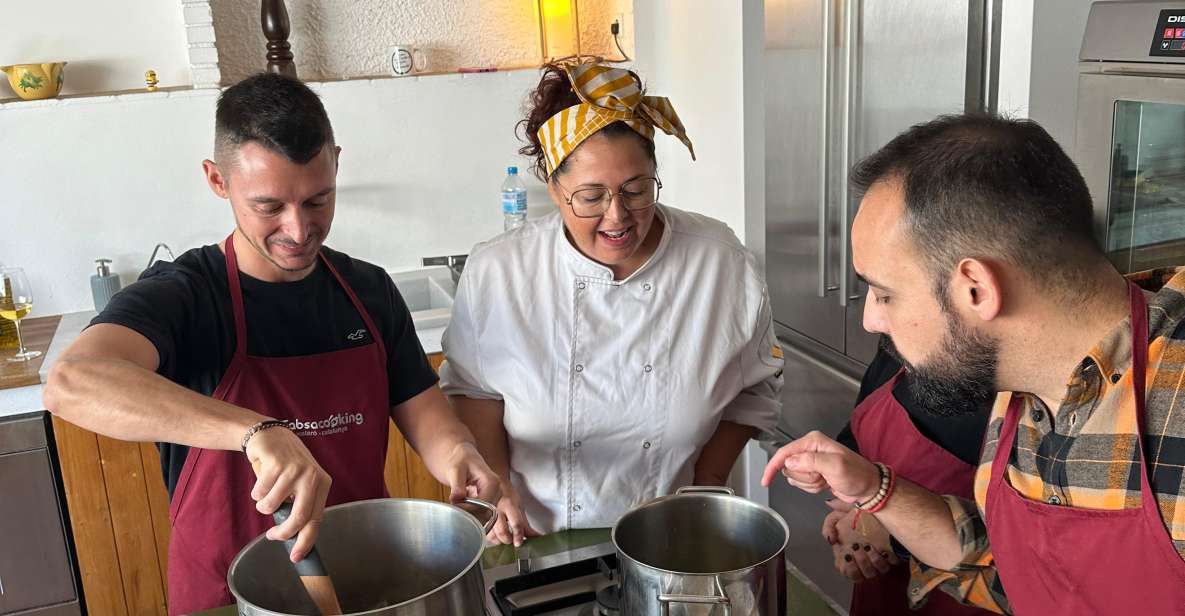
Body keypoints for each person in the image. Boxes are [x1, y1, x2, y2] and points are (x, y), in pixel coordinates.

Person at [42, 73, 501, 615]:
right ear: (217, 180)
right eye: (269, 207)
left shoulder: (369, 292)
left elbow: (425, 412)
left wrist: (459, 456)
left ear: (336, 162)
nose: (299, 228)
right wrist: (254, 431)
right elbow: (71, 382)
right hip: (227, 599)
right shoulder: (185, 295)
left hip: (363, 586)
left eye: (317, 200)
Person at [764, 114, 1185, 615]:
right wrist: (874, 489)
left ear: (976, 290)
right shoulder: (1017, 382)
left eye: (884, 294)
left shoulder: (1172, 402)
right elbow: (1003, 561)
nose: (872, 320)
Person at [439, 62, 785, 545]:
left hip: (673, 534)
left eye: (636, 189)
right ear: (554, 188)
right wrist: (499, 489)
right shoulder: (501, 272)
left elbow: (754, 392)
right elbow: (475, 392)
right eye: (591, 196)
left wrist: (703, 488)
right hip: (537, 534)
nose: (618, 216)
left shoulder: (720, 262)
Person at [830, 343, 995, 615]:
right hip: (881, 579)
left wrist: (886, 529)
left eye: (887, 298)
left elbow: (1021, 552)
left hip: (964, 597)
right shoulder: (895, 345)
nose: (870, 321)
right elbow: (854, 441)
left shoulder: (1016, 396)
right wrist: (849, 512)